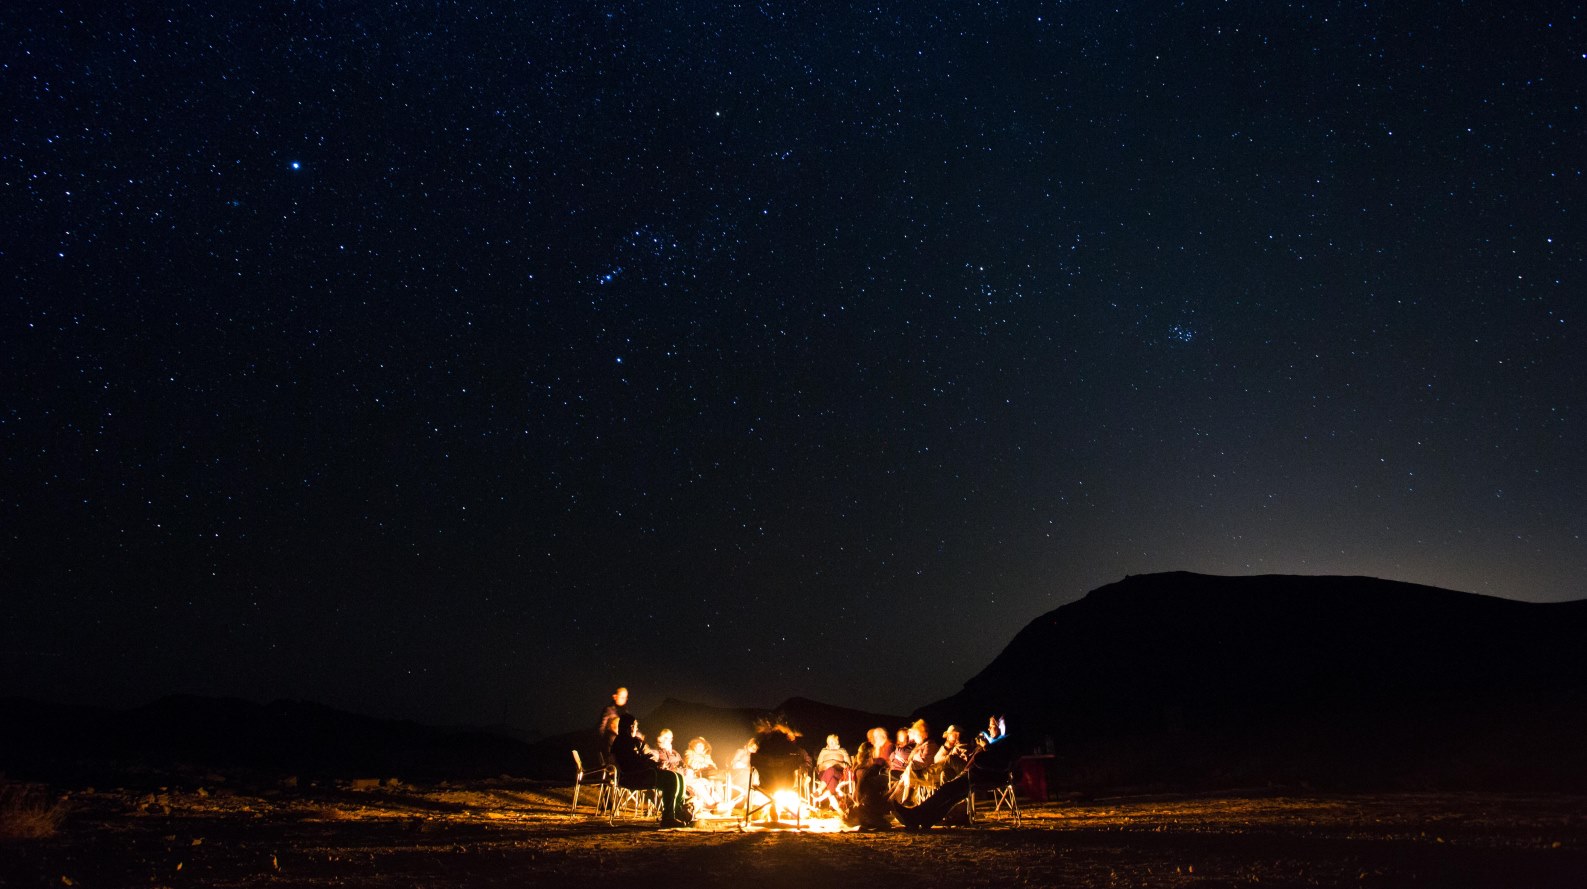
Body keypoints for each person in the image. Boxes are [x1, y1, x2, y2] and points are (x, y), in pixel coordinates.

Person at [892, 715, 1018, 830]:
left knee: (947, 790)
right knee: (951, 796)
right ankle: (926, 819)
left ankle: (914, 815)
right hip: (974, 775)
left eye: (992, 726)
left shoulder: (1005, 743)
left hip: (981, 777)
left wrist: (985, 747)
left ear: (1001, 727)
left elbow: (993, 763)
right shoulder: (996, 742)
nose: (989, 729)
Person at [609, 714, 692, 828]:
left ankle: (677, 811)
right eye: (636, 726)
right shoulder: (624, 742)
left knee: (679, 776)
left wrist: (655, 763)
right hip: (635, 777)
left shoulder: (630, 741)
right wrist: (654, 765)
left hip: (641, 773)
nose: (637, 729)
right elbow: (635, 762)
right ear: (631, 727)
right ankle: (668, 817)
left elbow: (645, 756)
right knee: (671, 778)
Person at [814, 734, 852, 807]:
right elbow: (819, 766)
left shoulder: (842, 751)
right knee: (831, 776)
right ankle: (836, 802)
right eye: (829, 742)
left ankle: (819, 790)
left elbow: (848, 765)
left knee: (831, 770)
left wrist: (835, 762)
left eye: (832, 742)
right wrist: (830, 763)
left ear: (837, 742)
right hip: (824, 773)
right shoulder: (824, 751)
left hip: (839, 774)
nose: (830, 744)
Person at [596, 687, 629, 758]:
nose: (624, 699)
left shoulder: (625, 712)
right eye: (622, 697)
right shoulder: (609, 710)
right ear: (615, 697)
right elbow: (601, 728)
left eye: (625, 697)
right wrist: (604, 744)